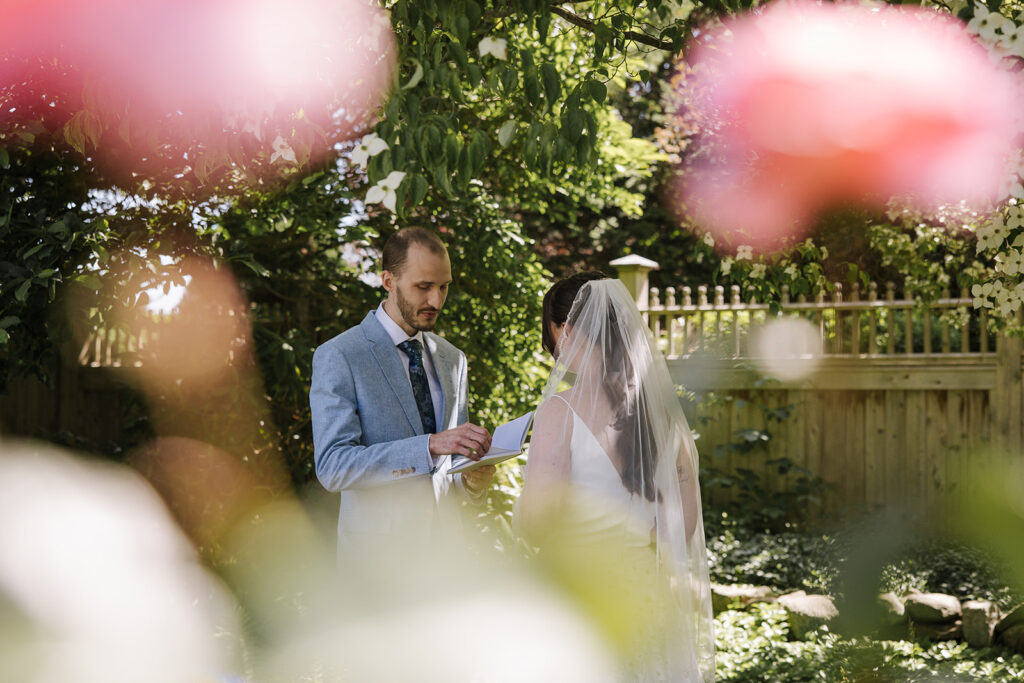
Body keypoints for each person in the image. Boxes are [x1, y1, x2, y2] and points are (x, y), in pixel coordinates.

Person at [516, 272, 716, 682]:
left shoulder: (560, 412)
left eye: (552, 337)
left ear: (566, 330)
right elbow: (684, 524)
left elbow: (540, 523)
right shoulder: (661, 414)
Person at [310, 226, 495, 559]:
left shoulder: (454, 359)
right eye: (423, 287)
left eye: (444, 287)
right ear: (388, 281)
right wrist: (429, 446)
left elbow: (448, 471)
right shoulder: (340, 355)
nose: (436, 300)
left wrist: (471, 484)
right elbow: (333, 467)